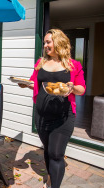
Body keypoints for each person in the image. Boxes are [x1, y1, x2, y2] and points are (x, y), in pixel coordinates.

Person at [18, 29, 86, 188]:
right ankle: (50, 178)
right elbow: (34, 83)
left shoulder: (73, 65)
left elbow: (81, 89)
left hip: (63, 117)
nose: (46, 45)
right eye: (45, 43)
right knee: (48, 151)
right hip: (41, 116)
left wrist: (72, 87)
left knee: (56, 154)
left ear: (59, 42)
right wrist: (25, 84)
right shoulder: (40, 63)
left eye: (49, 42)